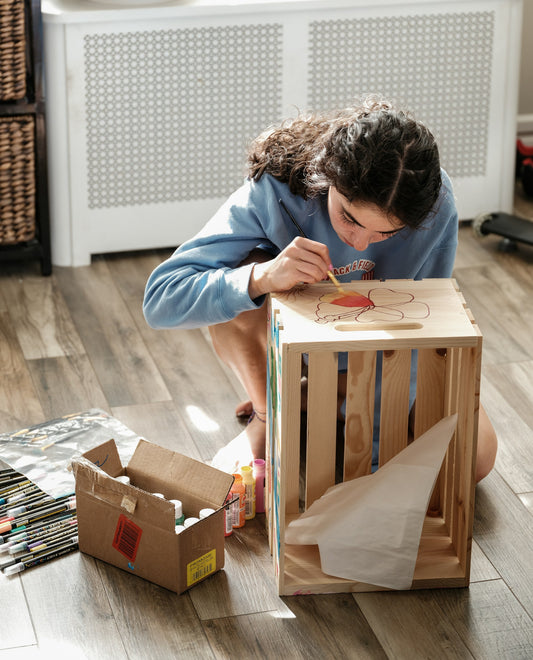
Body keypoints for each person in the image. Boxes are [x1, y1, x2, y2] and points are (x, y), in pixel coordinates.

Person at [143, 95, 497, 482]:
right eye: (348, 217)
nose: (361, 243)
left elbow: (425, 334)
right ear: (326, 176)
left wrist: (374, 456)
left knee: (475, 459)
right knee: (244, 275)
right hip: (299, 349)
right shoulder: (275, 190)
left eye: (387, 232)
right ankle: (271, 414)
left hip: (385, 357)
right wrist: (263, 277)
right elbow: (161, 299)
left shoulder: (435, 202)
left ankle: (311, 398)